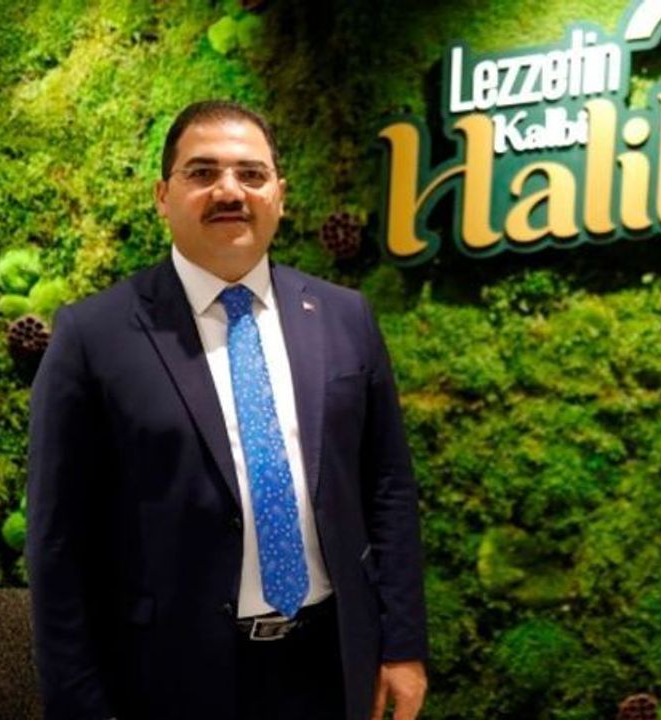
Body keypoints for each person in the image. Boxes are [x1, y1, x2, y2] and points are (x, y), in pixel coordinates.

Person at [25, 100, 427, 720]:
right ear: (163, 196)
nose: (230, 191)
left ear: (280, 196)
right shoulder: (91, 335)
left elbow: (389, 489)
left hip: (331, 663)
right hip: (169, 677)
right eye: (203, 172)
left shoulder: (345, 316)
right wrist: (78, 704)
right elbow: (57, 542)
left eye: (251, 174)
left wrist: (402, 646)